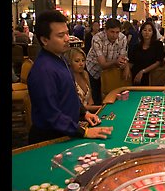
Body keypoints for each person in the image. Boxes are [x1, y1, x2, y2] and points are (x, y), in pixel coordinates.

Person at [27, 10, 112, 144]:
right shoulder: (43, 71)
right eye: (61, 35)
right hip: (50, 139)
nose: (67, 38)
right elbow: (51, 115)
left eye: (67, 33)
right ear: (44, 40)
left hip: (66, 131)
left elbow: (69, 96)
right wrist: (84, 131)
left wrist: (84, 113)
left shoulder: (60, 59)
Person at [86, 18, 129, 104]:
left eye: (117, 32)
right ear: (105, 30)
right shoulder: (97, 38)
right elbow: (102, 64)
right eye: (112, 32)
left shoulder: (123, 38)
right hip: (95, 70)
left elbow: (121, 59)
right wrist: (116, 62)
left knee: (112, 97)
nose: (115, 35)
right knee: (97, 99)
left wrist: (125, 65)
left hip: (111, 71)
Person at [64, 47, 101, 113]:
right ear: (69, 62)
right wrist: (101, 107)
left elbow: (90, 100)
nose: (81, 64)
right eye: (77, 61)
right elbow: (76, 106)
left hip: (90, 112)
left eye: (83, 60)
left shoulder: (85, 74)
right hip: (78, 115)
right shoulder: (68, 78)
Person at [128, 20, 165, 85]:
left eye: (149, 30)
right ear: (141, 32)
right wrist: (126, 68)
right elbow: (131, 62)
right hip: (136, 75)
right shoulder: (136, 46)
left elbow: (159, 62)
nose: (147, 32)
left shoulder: (158, 44)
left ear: (153, 33)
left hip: (151, 76)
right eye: (144, 30)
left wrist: (143, 71)